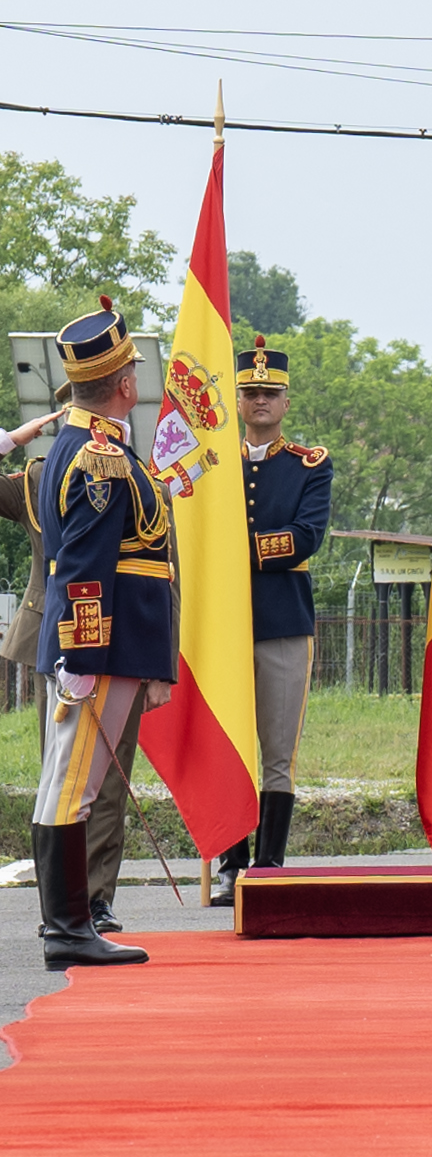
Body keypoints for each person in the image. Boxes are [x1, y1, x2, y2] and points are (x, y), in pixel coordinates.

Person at [25, 305, 173, 968]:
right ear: (124, 383)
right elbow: (85, 566)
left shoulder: (84, 444)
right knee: (73, 785)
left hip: (105, 646)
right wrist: (81, 656)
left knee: (64, 780)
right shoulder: (100, 456)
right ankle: (67, 929)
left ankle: (66, 924)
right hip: (102, 649)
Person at [210, 337, 332, 907]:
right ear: (237, 401)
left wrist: (236, 548)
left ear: (286, 402)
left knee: (278, 753)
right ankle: (231, 863)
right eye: (251, 392)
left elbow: (305, 536)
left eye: (270, 392)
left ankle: (269, 865)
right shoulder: (213, 467)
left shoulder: (310, 465)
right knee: (229, 747)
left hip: (283, 621)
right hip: (224, 627)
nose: (260, 400)